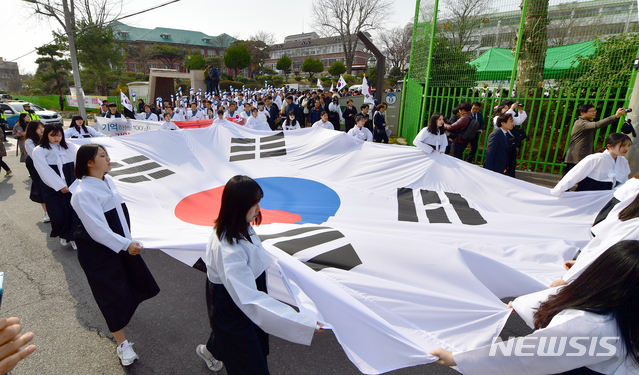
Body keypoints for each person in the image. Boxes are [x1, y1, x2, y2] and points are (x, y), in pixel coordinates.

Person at [430, 240, 639, 375]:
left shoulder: (594, 327)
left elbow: (526, 357)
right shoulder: (622, 315)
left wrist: (458, 359)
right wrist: (520, 303)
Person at [196, 175, 323, 374]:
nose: (258, 208)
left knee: (245, 339)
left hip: (235, 297)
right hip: (232, 305)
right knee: (251, 363)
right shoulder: (228, 248)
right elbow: (249, 300)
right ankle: (215, 348)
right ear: (238, 206)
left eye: (258, 202)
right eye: (253, 203)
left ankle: (211, 350)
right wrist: (303, 322)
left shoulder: (239, 226)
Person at [71, 144, 160, 367]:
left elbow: (120, 214)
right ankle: (122, 344)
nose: (108, 159)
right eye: (102, 156)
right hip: (98, 251)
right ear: (89, 163)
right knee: (109, 294)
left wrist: (129, 239)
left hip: (120, 244)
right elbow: (97, 229)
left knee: (129, 283)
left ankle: (123, 314)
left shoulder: (107, 181)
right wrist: (124, 243)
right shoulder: (83, 192)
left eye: (107, 154)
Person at [551, 193, 639, 288]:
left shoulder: (632, 219)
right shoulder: (635, 227)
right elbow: (606, 249)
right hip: (606, 276)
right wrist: (568, 277)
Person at [32, 124, 78, 249]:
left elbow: (76, 165)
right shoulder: (39, 150)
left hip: (71, 183)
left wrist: (77, 181)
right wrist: (60, 186)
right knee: (59, 213)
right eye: (52, 135)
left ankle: (73, 236)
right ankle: (64, 235)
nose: (56, 138)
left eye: (59, 134)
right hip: (52, 186)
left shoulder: (70, 147)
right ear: (46, 135)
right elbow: (43, 170)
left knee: (73, 211)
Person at [551, 133, 631, 196]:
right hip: (586, 195)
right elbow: (574, 175)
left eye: (628, 145)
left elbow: (624, 181)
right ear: (609, 146)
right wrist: (557, 192)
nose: (627, 148)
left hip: (606, 199)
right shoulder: (596, 158)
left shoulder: (623, 161)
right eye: (623, 145)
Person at [564, 104, 626, 174]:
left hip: (581, 155)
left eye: (595, 111)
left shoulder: (585, 122)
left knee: (580, 177)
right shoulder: (581, 123)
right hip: (577, 156)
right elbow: (596, 125)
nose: (594, 112)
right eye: (592, 111)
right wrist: (615, 116)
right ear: (583, 113)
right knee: (570, 177)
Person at [24, 121, 48, 222]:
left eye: (42, 127)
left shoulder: (46, 138)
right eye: (39, 128)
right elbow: (35, 156)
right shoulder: (29, 141)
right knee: (39, 186)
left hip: (47, 164)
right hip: (35, 165)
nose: (42, 130)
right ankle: (47, 212)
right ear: (33, 130)